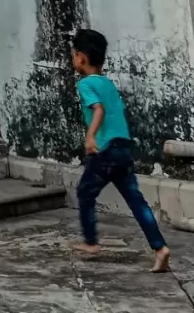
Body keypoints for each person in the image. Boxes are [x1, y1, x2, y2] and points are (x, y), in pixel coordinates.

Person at [71, 28, 170, 273]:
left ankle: (91, 242)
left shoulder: (85, 84)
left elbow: (99, 110)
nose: (73, 59)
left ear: (81, 57)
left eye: (74, 55)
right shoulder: (107, 83)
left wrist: (90, 135)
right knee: (136, 201)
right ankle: (160, 248)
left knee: (85, 192)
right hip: (123, 148)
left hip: (104, 150)